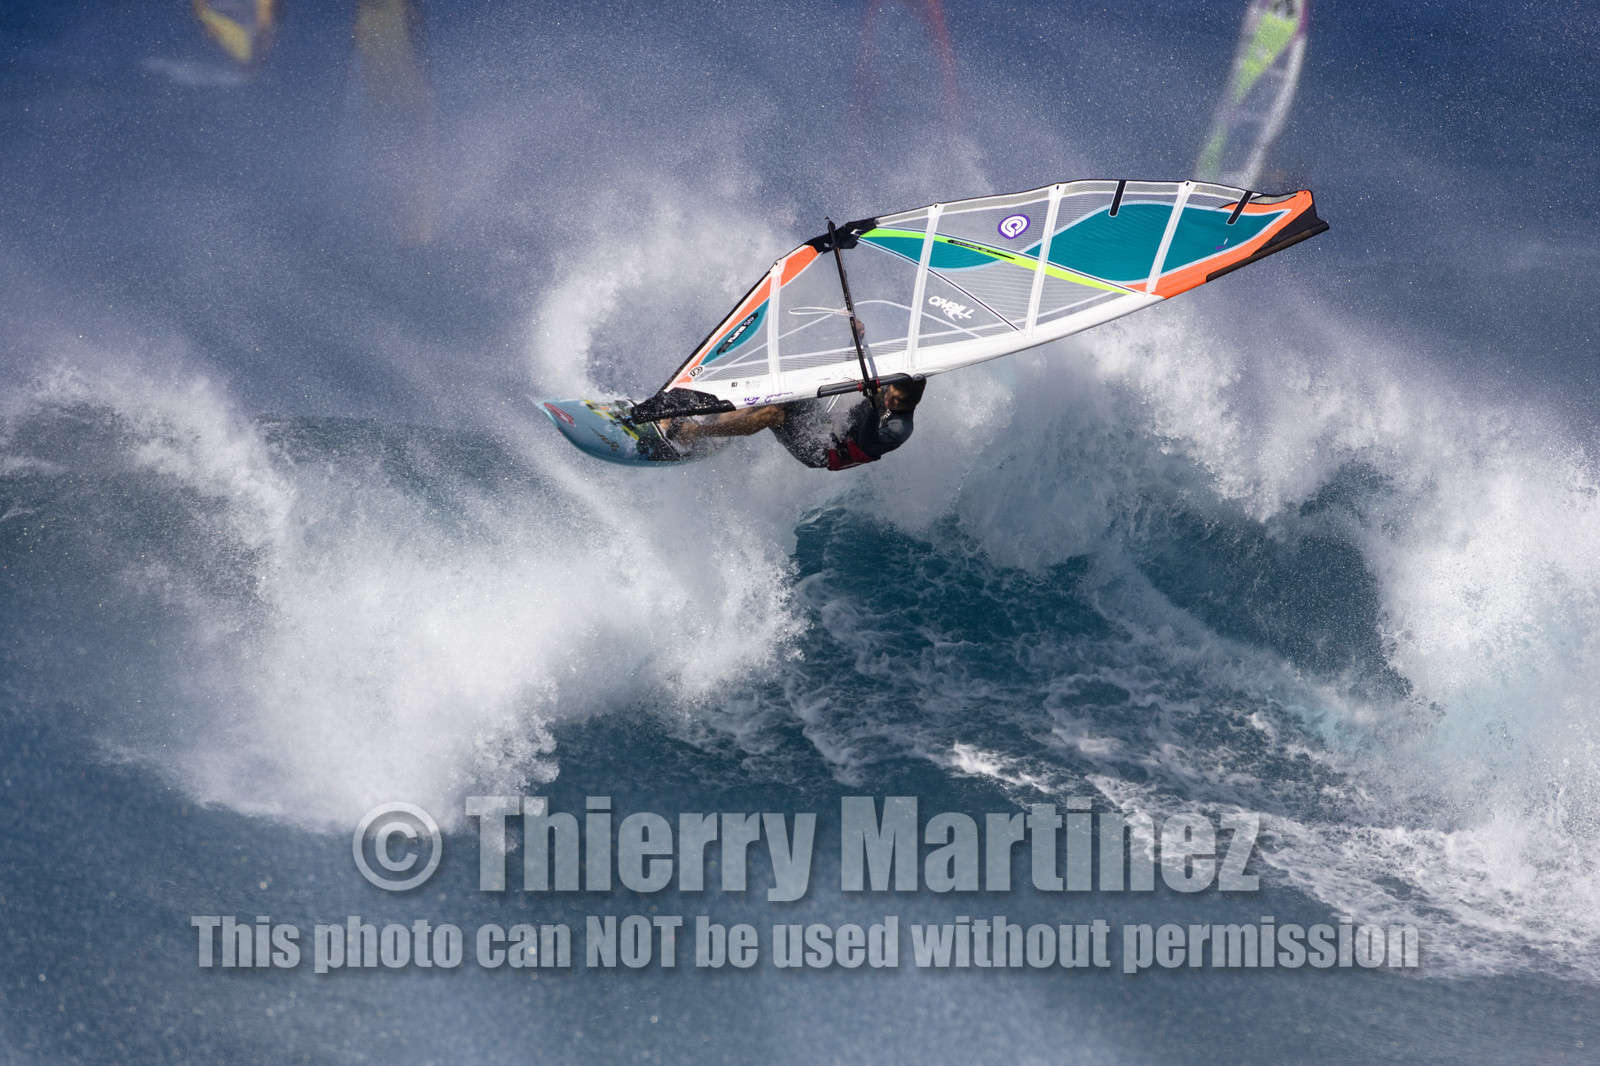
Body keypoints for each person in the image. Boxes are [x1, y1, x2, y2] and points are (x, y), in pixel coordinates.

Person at [664, 376, 926, 471]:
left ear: (913, 402)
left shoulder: (901, 428)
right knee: (779, 392)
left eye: (898, 400)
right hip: (825, 426)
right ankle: (714, 419)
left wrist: (874, 404)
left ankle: (692, 432)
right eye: (891, 392)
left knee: (772, 414)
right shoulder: (888, 387)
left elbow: (867, 443)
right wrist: (856, 335)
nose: (890, 398)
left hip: (822, 452)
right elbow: (854, 365)